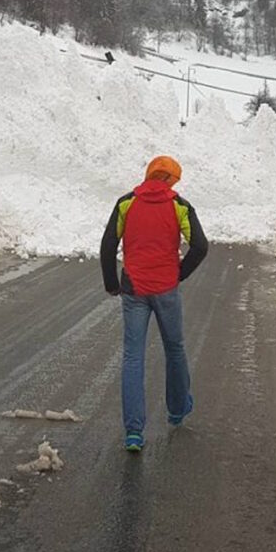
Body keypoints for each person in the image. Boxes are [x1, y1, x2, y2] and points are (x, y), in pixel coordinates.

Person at [99, 155, 209, 452]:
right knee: (174, 347)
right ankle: (176, 409)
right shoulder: (180, 206)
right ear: (171, 179)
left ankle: (134, 432)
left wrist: (111, 283)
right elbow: (200, 246)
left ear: (149, 175)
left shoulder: (127, 202)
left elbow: (108, 245)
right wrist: (179, 273)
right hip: (166, 289)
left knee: (133, 356)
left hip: (134, 289)